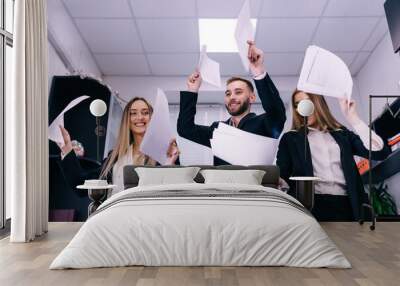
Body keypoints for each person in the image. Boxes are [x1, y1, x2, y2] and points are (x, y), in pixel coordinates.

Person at [276, 90, 391, 221]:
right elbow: (282, 174)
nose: (303, 108)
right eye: (298, 104)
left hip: (350, 205)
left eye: (307, 101)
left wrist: (353, 119)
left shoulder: (342, 134)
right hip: (313, 206)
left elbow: (380, 153)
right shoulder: (290, 139)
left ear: (318, 103)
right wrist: (277, 180)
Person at [177, 41, 286, 165]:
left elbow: (276, 111)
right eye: (228, 94)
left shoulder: (264, 124)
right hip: (222, 184)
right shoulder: (218, 129)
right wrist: (192, 90)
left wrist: (258, 71)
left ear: (252, 98)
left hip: (253, 184)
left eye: (238, 92)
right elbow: (185, 129)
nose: (232, 97)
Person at [58, 97, 180, 196]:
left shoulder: (165, 152)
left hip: (145, 220)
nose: (140, 117)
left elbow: (174, 192)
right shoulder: (115, 156)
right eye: (133, 113)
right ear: (127, 120)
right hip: (113, 218)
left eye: (145, 113)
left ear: (153, 119)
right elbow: (82, 186)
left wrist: (169, 165)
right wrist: (67, 147)